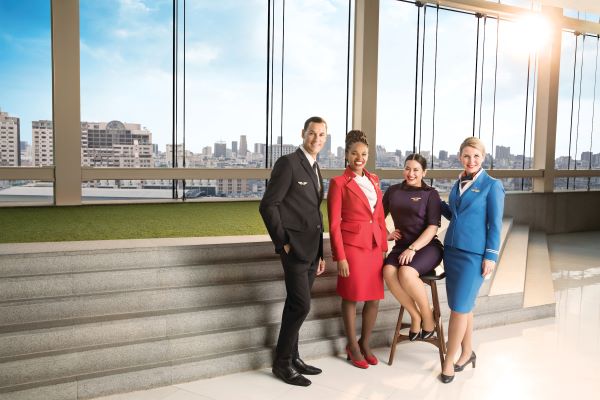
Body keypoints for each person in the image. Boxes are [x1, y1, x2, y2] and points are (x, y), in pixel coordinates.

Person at [259, 116, 328, 387]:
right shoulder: (287, 163)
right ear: (303, 133)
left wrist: (321, 253)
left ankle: (294, 356)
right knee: (301, 304)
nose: (317, 139)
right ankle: (281, 363)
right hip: (295, 249)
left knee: (295, 304)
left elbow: (315, 214)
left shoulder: (315, 166)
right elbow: (268, 205)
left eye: (322, 135)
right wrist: (283, 242)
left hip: (312, 250)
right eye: (312, 133)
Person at [439, 137, 505, 383]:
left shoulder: (492, 185)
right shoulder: (458, 182)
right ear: (460, 157)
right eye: (467, 156)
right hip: (453, 251)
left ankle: (448, 360)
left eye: (476, 156)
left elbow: (495, 224)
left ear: (483, 158)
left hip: (474, 256)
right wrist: (435, 201)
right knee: (464, 306)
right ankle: (467, 353)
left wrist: (491, 255)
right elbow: (455, 214)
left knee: (458, 309)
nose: (471, 160)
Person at [327, 130, 388, 369]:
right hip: (352, 247)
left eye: (363, 154)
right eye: (354, 153)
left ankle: (365, 343)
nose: (359, 158)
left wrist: (383, 245)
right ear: (347, 155)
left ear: (368, 155)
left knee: (374, 298)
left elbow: (380, 216)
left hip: (374, 246)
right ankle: (352, 345)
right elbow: (333, 224)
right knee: (351, 297)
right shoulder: (338, 183)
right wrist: (340, 256)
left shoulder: (374, 180)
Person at [382, 153, 443, 341]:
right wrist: (386, 234)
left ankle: (427, 317)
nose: (411, 173)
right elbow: (376, 218)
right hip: (401, 246)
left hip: (427, 247)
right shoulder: (392, 191)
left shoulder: (430, 194)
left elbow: (433, 227)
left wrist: (413, 248)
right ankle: (415, 315)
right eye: (408, 168)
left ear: (424, 172)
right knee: (388, 271)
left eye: (416, 170)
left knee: (406, 273)